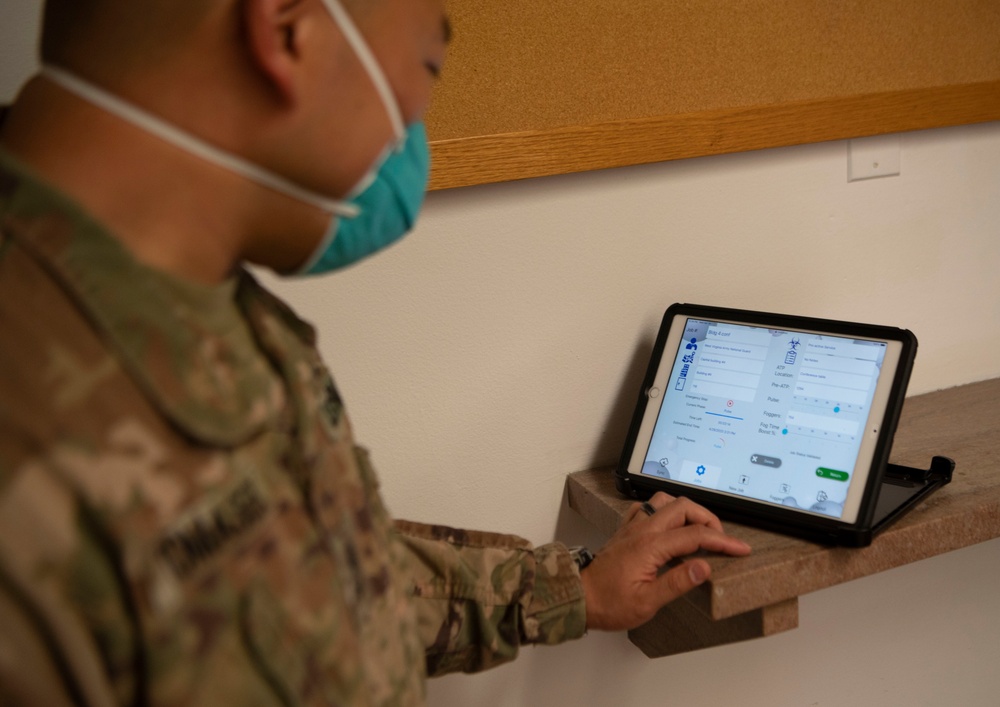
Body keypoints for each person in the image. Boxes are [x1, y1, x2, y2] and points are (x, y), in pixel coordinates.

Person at [0, 0, 751, 704]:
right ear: (289, 27)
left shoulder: (199, 301)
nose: (413, 136)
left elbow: (299, 581)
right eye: (426, 68)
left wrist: (564, 590)